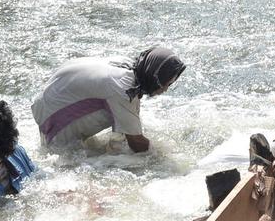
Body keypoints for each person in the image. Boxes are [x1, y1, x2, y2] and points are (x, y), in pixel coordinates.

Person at [31, 46, 186, 153]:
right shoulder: (123, 89)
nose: (166, 89)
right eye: (166, 83)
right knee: (69, 159)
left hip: (48, 101)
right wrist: (162, 156)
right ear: (154, 77)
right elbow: (137, 144)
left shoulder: (128, 66)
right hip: (55, 120)